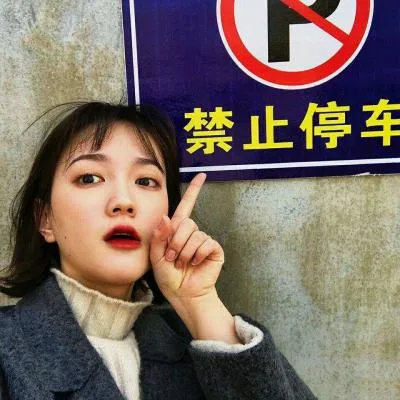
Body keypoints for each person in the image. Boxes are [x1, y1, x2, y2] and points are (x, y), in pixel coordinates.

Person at [0, 102, 317, 399]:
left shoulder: (199, 343)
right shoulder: (9, 348)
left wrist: (198, 303)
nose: (124, 201)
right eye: (90, 178)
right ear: (45, 218)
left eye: (145, 181)